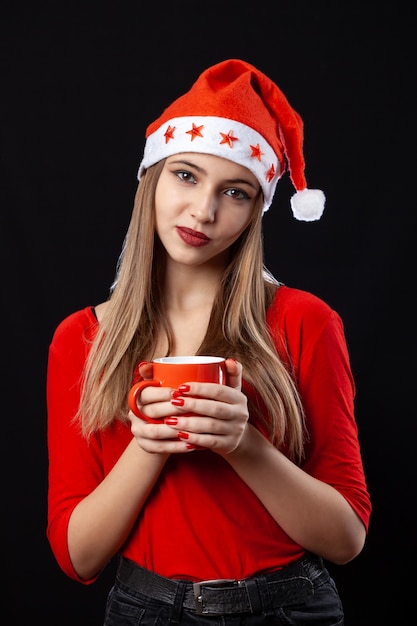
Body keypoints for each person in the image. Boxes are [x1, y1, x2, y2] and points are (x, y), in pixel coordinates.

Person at [46, 58, 371, 625]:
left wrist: (243, 443)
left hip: (288, 609)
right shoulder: (82, 338)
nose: (204, 211)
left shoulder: (305, 321)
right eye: (187, 175)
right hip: (144, 610)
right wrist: (148, 445)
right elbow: (79, 556)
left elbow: (346, 539)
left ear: (255, 213)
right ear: (151, 177)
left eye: (237, 192)